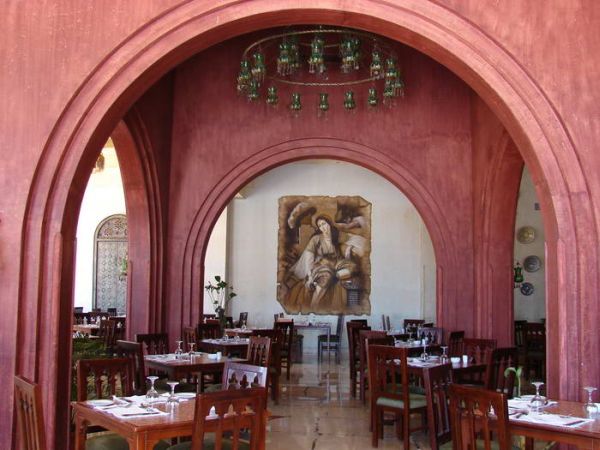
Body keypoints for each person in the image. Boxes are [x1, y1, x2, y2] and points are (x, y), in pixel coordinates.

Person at [286, 215, 358, 312]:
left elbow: (351, 239)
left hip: (336, 265)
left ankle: (335, 276)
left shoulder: (336, 236)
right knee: (326, 275)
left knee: (353, 267)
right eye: (320, 226)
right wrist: (310, 276)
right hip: (321, 265)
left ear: (329, 224)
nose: (323, 227)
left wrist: (349, 249)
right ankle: (313, 305)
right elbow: (309, 259)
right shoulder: (316, 239)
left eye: (324, 224)